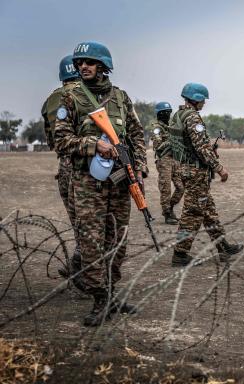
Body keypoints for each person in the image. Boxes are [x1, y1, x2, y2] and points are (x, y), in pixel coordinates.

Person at [54, 41, 143, 326]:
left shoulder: (121, 97)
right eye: (80, 63)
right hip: (87, 182)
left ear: (103, 66)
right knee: (92, 242)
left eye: (89, 62)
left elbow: (137, 135)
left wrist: (138, 169)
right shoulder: (71, 99)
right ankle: (100, 299)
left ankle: (112, 293)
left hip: (119, 181)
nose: (83, 67)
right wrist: (94, 145)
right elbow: (61, 140)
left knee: (117, 239)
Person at [169, 82, 243, 266]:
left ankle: (223, 246)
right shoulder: (193, 118)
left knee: (207, 209)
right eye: (203, 100)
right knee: (193, 212)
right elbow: (202, 149)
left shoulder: (177, 116)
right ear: (197, 99)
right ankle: (180, 254)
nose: (204, 104)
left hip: (184, 168)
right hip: (195, 172)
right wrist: (219, 168)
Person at [41, 55, 83, 284]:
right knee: (95, 223)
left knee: (78, 221)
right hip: (89, 163)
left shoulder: (51, 100)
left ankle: (78, 265)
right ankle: (83, 269)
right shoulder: (87, 94)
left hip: (65, 165)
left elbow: (51, 139)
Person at [150, 102, 183, 224]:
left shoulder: (171, 127)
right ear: (160, 113)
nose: (168, 115)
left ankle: (170, 208)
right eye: (166, 113)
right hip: (164, 160)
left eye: (169, 112)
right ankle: (167, 214)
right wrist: (172, 140)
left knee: (180, 187)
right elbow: (158, 146)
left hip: (175, 160)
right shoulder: (157, 128)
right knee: (166, 188)